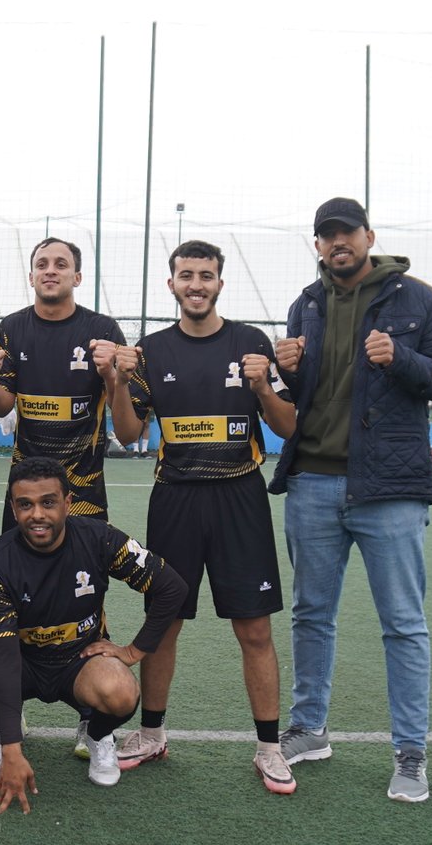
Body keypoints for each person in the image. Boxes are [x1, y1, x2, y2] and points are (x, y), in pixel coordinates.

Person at [271, 197, 432, 803]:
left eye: (347, 232)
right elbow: (305, 395)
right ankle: (310, 728)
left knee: (403, 623)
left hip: (389, 488)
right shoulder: (306, 303)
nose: (338, 243)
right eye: (327, 236)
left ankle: (410, 752)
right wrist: (285, 370)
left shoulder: (416, 298)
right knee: (310, 614)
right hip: (312, 482)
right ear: (318, 245)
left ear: (368, 237)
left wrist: (400, 357)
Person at [106, 240, 299, 794]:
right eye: (186, 275)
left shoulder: (251, 343)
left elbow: (288, 427)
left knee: (254, 627)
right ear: (172, 283)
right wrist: (117, 382)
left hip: (241, 498)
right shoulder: (151, 350)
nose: (196, 284)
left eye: (206, 275)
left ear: (219, 283)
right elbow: (128, 433)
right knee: (164, 620)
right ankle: (152, 734)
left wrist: (262, 385)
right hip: (176, 499)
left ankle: (269, 748)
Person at [0, 458, 186, 813]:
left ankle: (97, 734)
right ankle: (2, 733)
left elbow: (171, 587)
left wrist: (134, 651)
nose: (37, 515)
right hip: (24, 660)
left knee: (121, 692)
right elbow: (6, 656)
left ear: (68, 502)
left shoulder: (100, 538)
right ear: (13, 508)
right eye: (25, 504)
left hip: (80, 661)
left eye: (48, 502)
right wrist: (12, 748)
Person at [0, 235, 126, 756]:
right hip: (25, 496)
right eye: (42, 263)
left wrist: (112, 374)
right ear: (32, 275)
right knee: (14, 595)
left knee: (87, 596)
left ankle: (92, 718)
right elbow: (0, 406)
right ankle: (6, 716)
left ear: (77, 277)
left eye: (61, 264)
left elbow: (125, 418)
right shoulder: (13, 328)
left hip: (83, 492)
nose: (51, 270)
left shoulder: (102, 330)